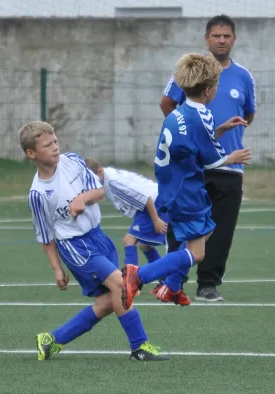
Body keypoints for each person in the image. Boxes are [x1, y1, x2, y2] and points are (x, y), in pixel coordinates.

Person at [20, 121, 168, 361]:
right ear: (32, 153)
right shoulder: (38, 194)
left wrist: (82, 199)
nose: (55, 147)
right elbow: (45, 236)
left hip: (98, 236)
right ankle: (139, 347)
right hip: (75, 247)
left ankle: (53, 340)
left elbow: (99, 190)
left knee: (108, 302)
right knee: (121, 286)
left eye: (55, 141)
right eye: (47, 145)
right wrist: (57, 269)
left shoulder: (73, 161)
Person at [121, 53, 252, 308]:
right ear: (208, 89)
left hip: (173, 186)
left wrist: (222, 129)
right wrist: (232, 156)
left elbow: (192, 143)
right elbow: (212, 161)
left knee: (208, 229)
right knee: (197, 252)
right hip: (188, 190)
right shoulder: (202, 116)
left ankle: (171, 287)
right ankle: (140, 276)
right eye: (216, 85)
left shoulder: (178, 113)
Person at [159, 14, 256, 302]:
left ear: (234, 39)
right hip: (195, 166)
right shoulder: (191, 70)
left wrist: (225, 132)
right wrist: (190, 138)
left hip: (230, 168)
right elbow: (167, 103)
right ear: (207, 39)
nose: (222, 40)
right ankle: (173, 280)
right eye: (216, 35)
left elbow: (249, 112)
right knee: (182, 225)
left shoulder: (243, 76)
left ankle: (208, 284)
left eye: (227, 36)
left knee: (221, 229)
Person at [84, 158, 167, 271]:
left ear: (100, 172)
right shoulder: (105, 178)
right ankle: (164, 279)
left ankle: (131, 284)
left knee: (129, 240)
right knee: (144, 245)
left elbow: (146, 198)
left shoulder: (114, 183)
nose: (90, 185)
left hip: (154, 201)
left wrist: (156, 220)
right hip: (153, 199)